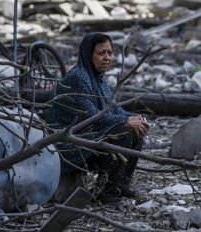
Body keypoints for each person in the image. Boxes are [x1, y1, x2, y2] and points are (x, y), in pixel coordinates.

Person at [46, 32, 149, 203]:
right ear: (88, 54)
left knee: (136, 128)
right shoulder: (78, 78)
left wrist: (134, 117)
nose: (107, 58)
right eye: (101, 53)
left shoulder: (98, 78)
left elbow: (112, 110)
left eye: (109, 53)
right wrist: (126, 121)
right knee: (122, 131)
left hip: (90, 135)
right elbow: (93, 117)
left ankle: (120, 186)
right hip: (70, 144)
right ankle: (105, 192)